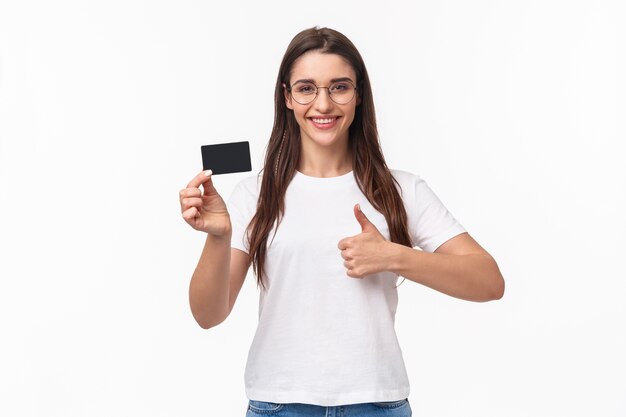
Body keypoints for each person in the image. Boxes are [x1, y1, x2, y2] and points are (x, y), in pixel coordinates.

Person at [179, 26, 504, 417]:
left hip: (377, 404)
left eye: (339, 87)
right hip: (280, 404)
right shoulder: (255, 194)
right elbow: (207, 315)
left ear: (358, 94)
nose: (323, 104)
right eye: (306, 88)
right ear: (286, 97)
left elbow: (489, 281)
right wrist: (219, 237)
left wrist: (393, 257)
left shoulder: (401, 190)